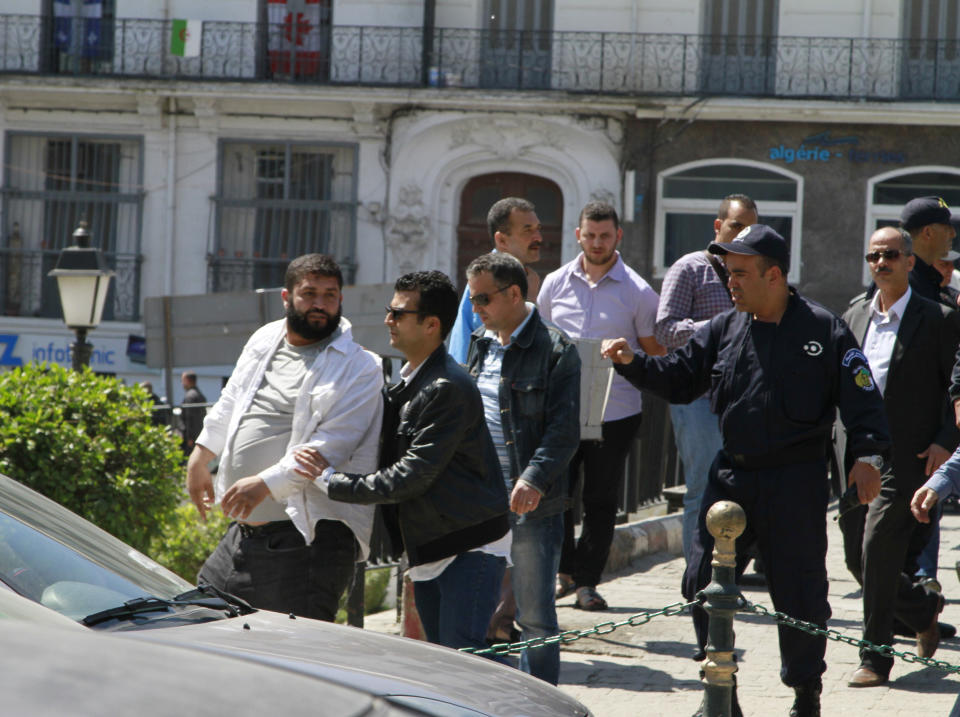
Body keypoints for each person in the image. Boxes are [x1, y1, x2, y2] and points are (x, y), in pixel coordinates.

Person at [601, 224, 890, 717]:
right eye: (726, 272)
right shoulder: (723, 328)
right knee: (701, 584)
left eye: (739, 273)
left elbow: (863, 403)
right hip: (731, 477)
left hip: (795, 481)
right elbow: (678, 378)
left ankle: (806, 694)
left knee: (799, 594)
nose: (728, 283)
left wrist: (867, 459)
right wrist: (632, 362)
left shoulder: (824, 330)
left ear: (773, 275)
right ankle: (723, 696)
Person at [290, 271, 511, 653]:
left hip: (469, 547)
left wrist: (328, 480)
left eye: (398, 313)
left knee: (464, 661)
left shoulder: (447, 388)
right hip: (431, 546)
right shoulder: (407, 383)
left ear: (431, 325)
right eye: (390, 311)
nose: (388, 320)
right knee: (444, 659)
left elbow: (408, 477)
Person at [186, 254, 384, 622]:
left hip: (308, 540)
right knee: (202, 617)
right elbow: (233, 398)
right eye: (309, 294)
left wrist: (265, 483)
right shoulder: (265, 338)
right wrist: (201, 454)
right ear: (286, 297)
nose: (320, 305)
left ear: (341, 300)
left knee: (292, 657)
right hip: (246, 535)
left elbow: (331, 445)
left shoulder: (361, 365)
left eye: (330, 295)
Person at [837, 227, 958, 687]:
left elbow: (957, 385)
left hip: (908, 456)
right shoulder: (852, 315)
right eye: (873, 255)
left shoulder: (939, 318)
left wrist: (947, 440)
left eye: (890, 254)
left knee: (877, 547)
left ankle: (875, 658)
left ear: (910, 261)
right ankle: (923, 610)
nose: (880, 262)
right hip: (857, 456)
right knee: (858, 560)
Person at [538, 200, 665, 611]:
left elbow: (655, 353)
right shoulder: (554, 284)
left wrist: (627, 353)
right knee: (555, 496)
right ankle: (562, 574)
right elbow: (538, 344)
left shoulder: (639, 291)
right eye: (590, 235)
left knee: (600, 499)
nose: (597, 243)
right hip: (561, 410)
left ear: (617, 237)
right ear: (578, 235)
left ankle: (588, 583)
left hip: (616, 412)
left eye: (605, 236)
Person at [464, 252, 581, 684]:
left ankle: (543, 706)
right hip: (480, 500)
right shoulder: (481, 340)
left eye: (483, 299)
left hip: (531, 503)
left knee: (535, 619)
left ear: (514, 294)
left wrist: (532, 478)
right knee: (476, 614)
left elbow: (564, 432)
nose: (475, 308)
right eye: (473, 299)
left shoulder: (556, 349)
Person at [654, 193, 758, 566]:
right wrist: (721, 329)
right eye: (735, 225)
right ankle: (698, 580)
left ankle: (727, 575)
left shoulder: (754, 271)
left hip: (742, 399)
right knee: (701, 488)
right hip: (698, 397)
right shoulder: (689, 268)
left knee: (739, 490)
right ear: (718, 227)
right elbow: (665, 330)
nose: (743, 234)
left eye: (750, 227)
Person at [448, 197, 544, 363]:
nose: (538, 238)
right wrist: (527, 301)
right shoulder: (487, 279)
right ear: (502, 240)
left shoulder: (526, 277)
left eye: (538, 229)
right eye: (528, 230)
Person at [179, 371, 207, 454]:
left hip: (191, 439)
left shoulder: (190, 396)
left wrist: (189, 437)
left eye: (182, 380)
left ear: (187, 380)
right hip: (200, 435)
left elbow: (189, 418)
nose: (182, 383)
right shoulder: (200, 395)